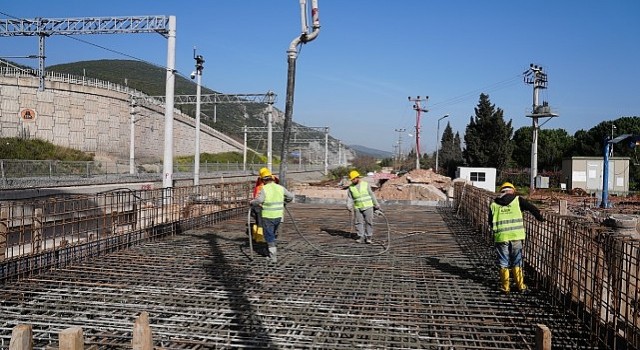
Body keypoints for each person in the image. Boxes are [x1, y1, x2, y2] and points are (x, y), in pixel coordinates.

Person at [488, 182, 545, 294]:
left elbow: (490, 221)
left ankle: (505, 287)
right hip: (516, 236)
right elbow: (532, 208)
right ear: (512, 190)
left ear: (501, 191)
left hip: (501, 237)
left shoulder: (494, 204)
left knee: (503, 262)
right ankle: (521, 286)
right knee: (517, 261)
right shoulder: (518, 200)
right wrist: (540, 218)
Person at [250, 171, 294, 263]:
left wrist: (252, 202)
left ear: (263, 180)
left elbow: (259, 200)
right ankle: (271, 249)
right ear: (273, 179)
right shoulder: (280, 188)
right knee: (273, 234)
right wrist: (285, 202)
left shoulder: (264, 188)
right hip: (278, 216)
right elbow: (290, 196)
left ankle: (272, 257)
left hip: (268, 216)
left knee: (269, 236)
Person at [346, 170, 381, 244]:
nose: (352, 180)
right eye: (351, 179)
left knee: (369, 222)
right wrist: (349, 205)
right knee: (358, 222)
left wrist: (376, 204)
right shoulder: (351, 187)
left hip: (368, 206)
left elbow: (372, 195)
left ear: (357, 178)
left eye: (353, 179)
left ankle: (368, 237)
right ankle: (360, 236)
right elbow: (350, 198)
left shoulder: (365, 184)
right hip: (358, 207)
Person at [250, 167, 279, 243]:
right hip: (262, 206)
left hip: (258, 205)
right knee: (261, 222)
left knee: (258, 221)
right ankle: (259, 237)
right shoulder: (264, 185)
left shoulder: (260, 183)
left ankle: (256, 236)